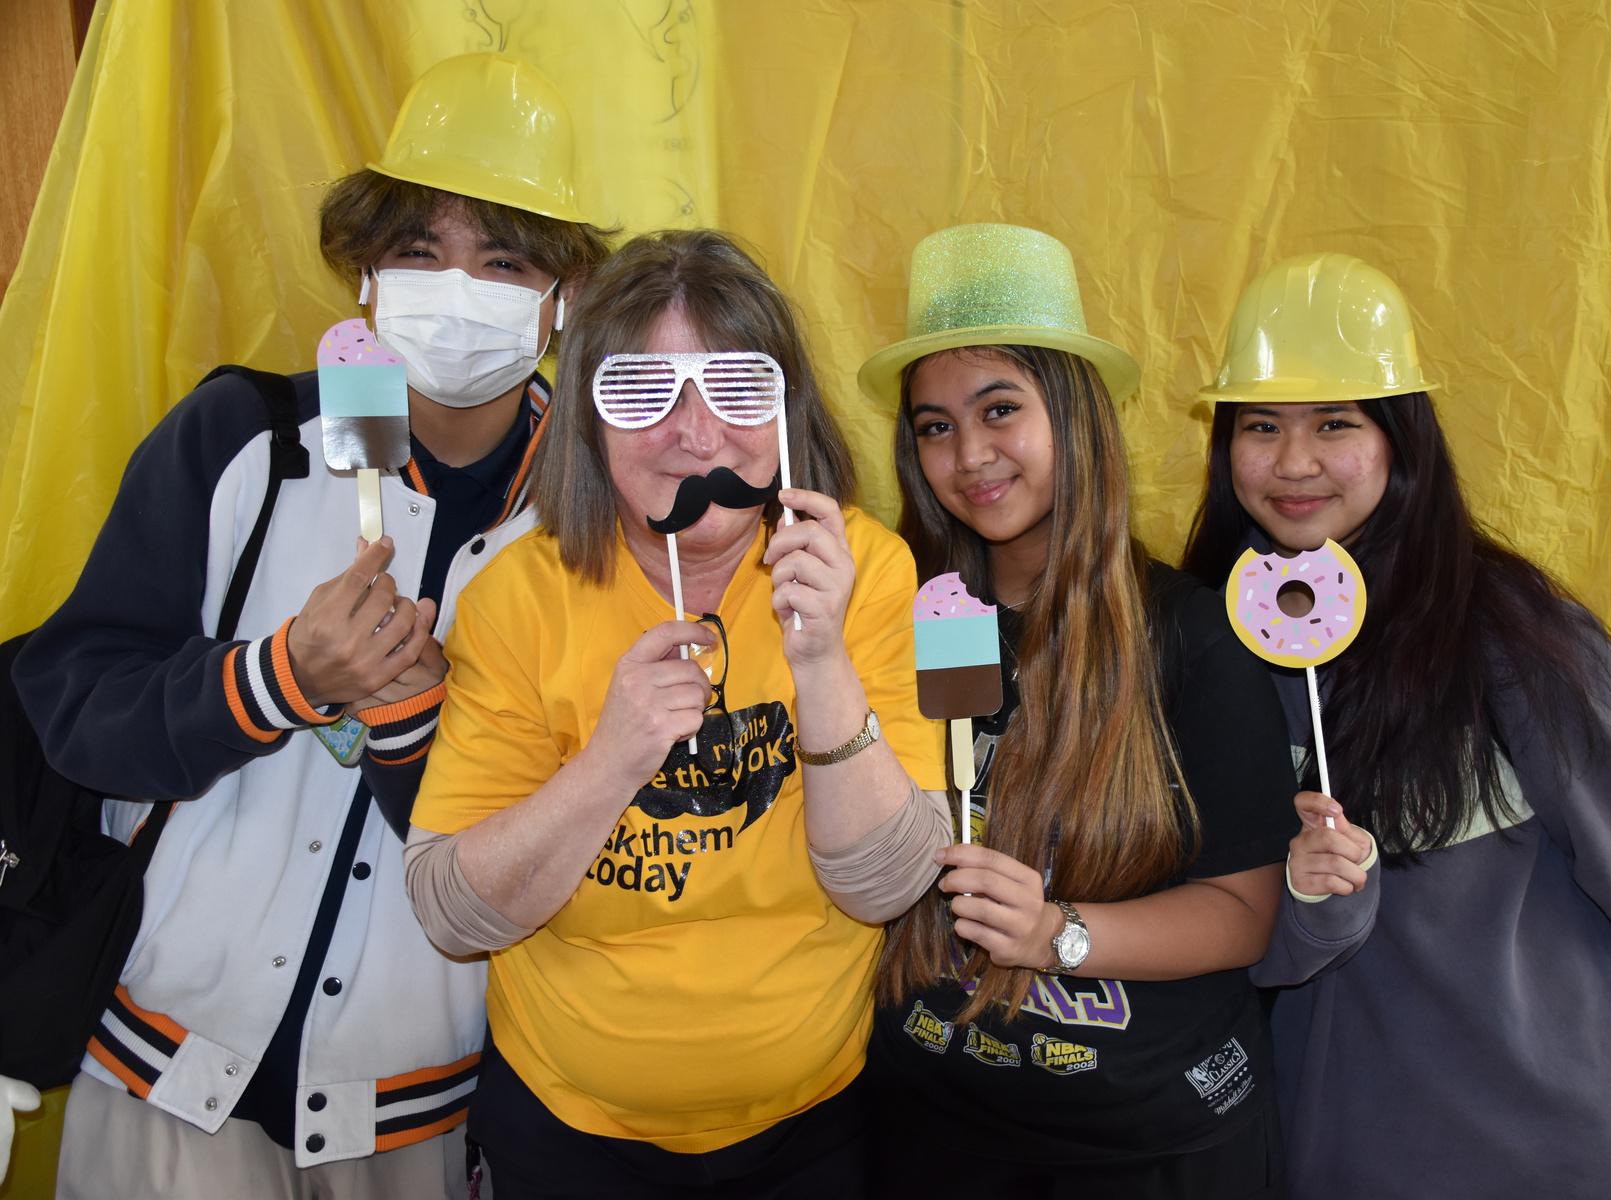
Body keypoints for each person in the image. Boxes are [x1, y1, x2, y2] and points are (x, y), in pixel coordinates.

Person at [13, 53, 612, 1199]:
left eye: (503, 260)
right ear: (367, 277)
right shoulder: (243, 441)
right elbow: (74, 711)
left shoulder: (599, 532)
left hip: (419, 1113)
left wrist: (416, 722)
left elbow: (570, 846)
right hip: (158, 1084)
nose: (457, 289)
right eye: (420, 252)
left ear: (565, 298)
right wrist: (275, 678)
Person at [1183, 252, 1611, 1199]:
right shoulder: (1199, 639)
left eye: (1336, 423)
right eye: (1261, 425)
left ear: (1401, 440)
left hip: (1578, 1153)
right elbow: (1216, 933)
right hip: (1346, 1161)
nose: (1294, 462)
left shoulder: (1511, 631)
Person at [401, 228, 950, 1198]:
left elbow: (888, 884)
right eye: (643, 394)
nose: (696, 435)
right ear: (590, 422)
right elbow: (451, 911)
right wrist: (614, 756)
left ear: (787, 409)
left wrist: (821, 662)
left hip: (811, 1124)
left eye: (736, 388)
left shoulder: (865, 568)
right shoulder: (517, 598)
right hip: (569, 1129)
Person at [857, 223, 1297, 1198]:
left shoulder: (1191, 638)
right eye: (934, 426)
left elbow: (1244, 914)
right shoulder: (910, 622)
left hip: (1144, 1148)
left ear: (1076, 416)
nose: (969, 455)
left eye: (999, 409)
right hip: (928, 1132)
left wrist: (1058, 933)